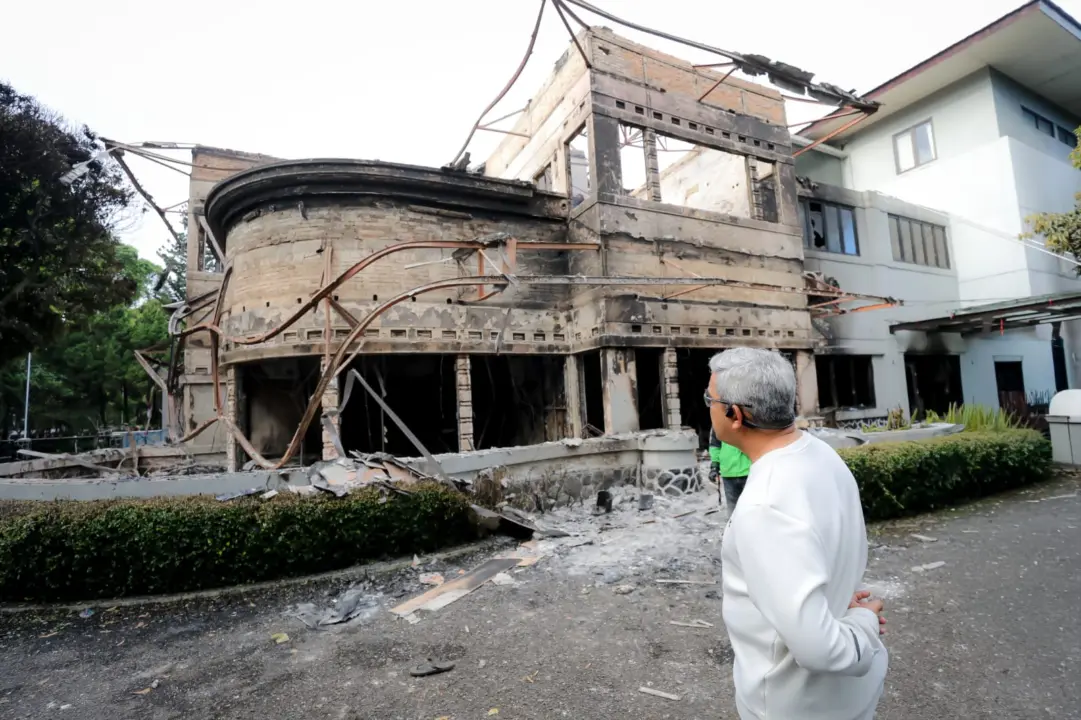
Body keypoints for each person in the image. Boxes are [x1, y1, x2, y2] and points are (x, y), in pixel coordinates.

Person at [707, 347, 887, 720]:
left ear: (735, 415)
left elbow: (821, 650)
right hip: (846, 698)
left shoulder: (766, 506)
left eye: (710, 399)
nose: (707, 406)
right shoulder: (820, 454)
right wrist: (833, 597)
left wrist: (864, 622)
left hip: (797, 703)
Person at [708, 427, 750, 509]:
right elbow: (715, 446)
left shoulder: (750, 420)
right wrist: (714, 466)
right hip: (728, 472)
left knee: (751, 507)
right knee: (732, 508)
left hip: (749, 472)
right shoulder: (719, 423)